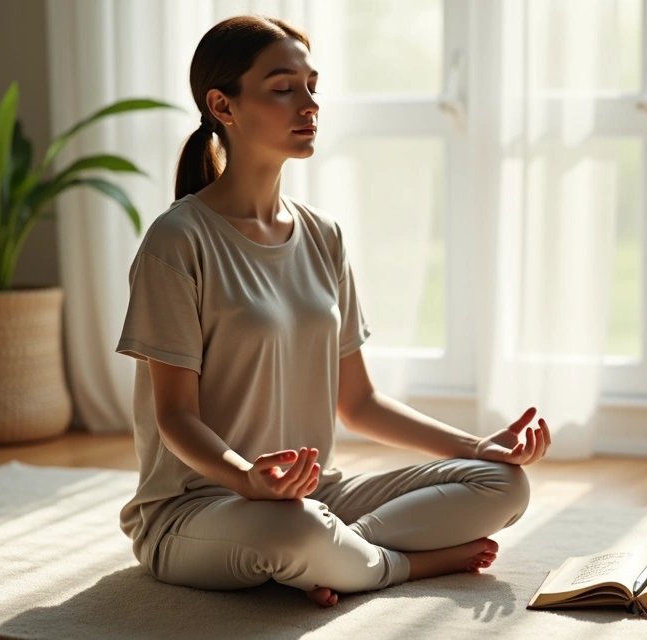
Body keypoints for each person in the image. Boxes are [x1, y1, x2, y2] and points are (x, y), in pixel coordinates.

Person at [115, 15, 550, 608]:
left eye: (312, 85)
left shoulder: (323, 235)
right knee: (297, 531)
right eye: (283, 87)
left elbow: (359, 402)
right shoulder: (177, 241)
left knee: (504, 485)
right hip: (196, 508)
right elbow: (175, 416)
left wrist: (477, 447)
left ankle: (344, 557)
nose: (309, 103)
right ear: (223, 105)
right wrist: (247, 479)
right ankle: (396, 563)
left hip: (316, 497)